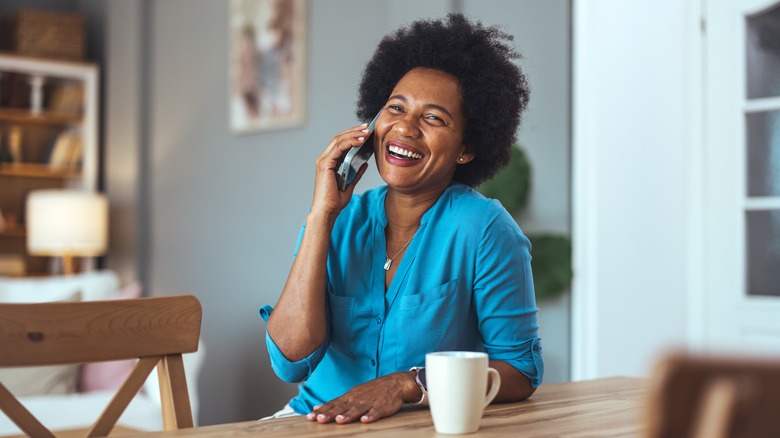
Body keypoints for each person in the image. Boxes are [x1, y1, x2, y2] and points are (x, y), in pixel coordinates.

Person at [259, 13, 543, 424]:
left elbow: (520, 372)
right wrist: (322, 215)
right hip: (314, 419)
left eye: (433, 117)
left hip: (422, 425)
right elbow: (291, 361)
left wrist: (405, 384)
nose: (405, 128)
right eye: (396, 108)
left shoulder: (482, 229)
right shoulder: (338, 220)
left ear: (466, 148)